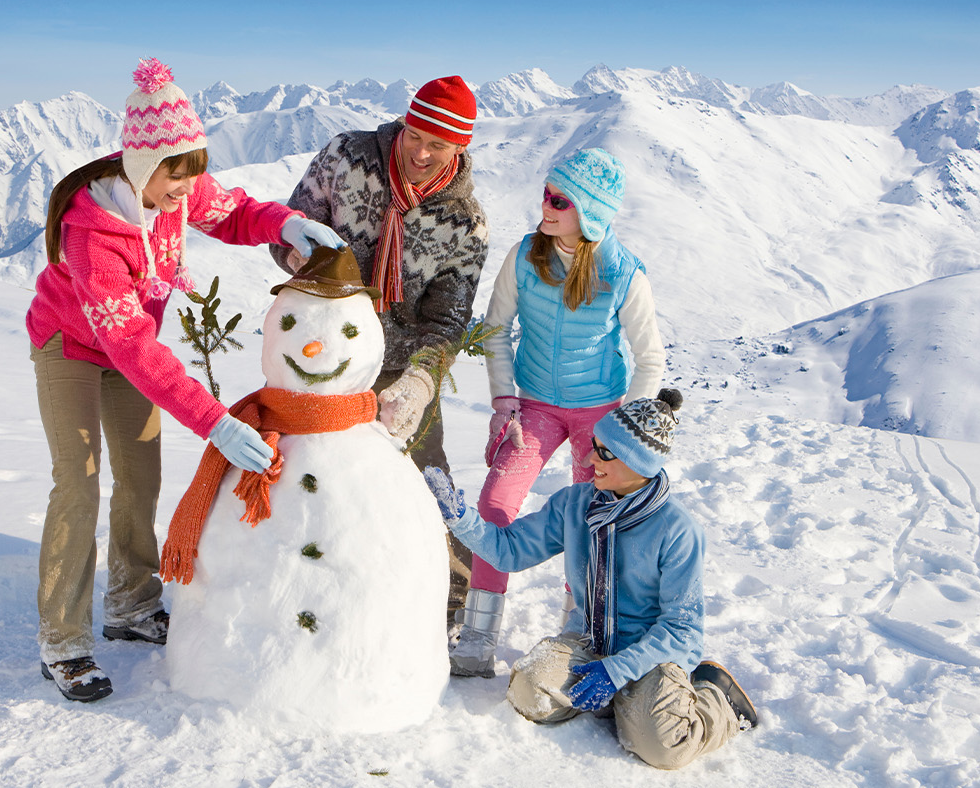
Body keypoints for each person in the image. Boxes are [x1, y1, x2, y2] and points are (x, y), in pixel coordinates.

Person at [25, 58, 344, 702]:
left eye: (192, 174)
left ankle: (132, 604)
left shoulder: (176, 187)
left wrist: (282, 224)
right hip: (70, 345)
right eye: (177, 176)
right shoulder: (92, 232)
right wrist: (217, 424)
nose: (186, 190)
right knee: (79, 481)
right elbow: (133, 346)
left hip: (122, 347)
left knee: (140, 474)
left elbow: (232, 211)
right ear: (144, 167)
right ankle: (63, 641)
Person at [423, 391, 757, 770]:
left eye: (604, 452)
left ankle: (715, 700)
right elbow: (510, 551)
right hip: (588, 641)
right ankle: (627, 703)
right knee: (528, 691)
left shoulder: (678, 531)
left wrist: (618, 671)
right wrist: (461, 518)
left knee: (663, 746)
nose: (587, 458)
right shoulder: (574, 504)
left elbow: (682, 629)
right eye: (594, 446)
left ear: (639, 462)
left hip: (648, 657)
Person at [270, 76, 490, 631]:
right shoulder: (347, 156)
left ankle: (451, 594)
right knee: (307, 473)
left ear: (458, 149)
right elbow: (286, 228)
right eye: (416, 135)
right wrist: (303, 259)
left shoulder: (465, 224)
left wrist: (420, 381)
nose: (420, 151)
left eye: (437, 145)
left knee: (427, 472)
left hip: (397, 363)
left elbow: (448, 317)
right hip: (322, 357)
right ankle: (297, 582)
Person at [450, 148, 666, 677]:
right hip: (536, 406)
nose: (545, 206)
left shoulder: (623, 273)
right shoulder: (526, 255)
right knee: (496, 502)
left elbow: (651, 358)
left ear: (588, 214)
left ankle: (578, 628)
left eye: (559, 200)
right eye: (546, 193)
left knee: (592, 518)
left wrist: (623, 436)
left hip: (600, 415)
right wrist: (504, 401)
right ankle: (479, 632)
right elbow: (496, 328)